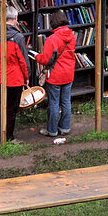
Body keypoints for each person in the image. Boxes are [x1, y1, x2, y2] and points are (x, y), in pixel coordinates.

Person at [0, 6, 29, 143]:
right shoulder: (17, 37)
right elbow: (23, 60)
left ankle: (0, 135)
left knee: (1, 107)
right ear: (16, 19)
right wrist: (26, 77)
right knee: (12, 109)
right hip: (15, 77)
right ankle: (9, 137)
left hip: (0, 77)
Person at [35, 10, 77, 139]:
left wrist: (37, 56)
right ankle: (64, 128)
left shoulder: (52, 39)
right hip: (68, 73)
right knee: (66, 101)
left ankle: (52, 130)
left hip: (55, 75)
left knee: (53, 103)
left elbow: (46, 59)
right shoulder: (72, 36)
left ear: (53, 22)